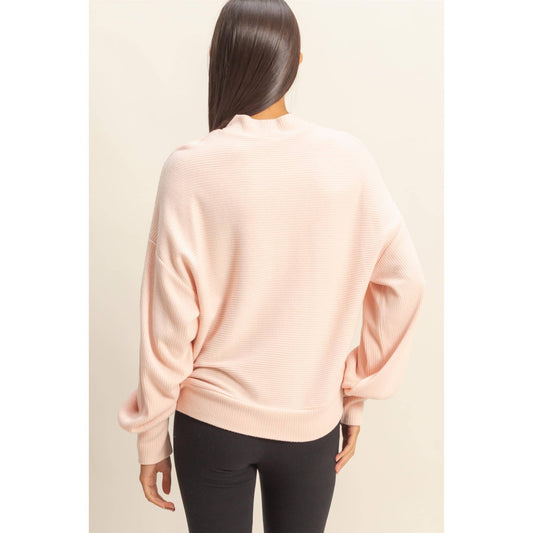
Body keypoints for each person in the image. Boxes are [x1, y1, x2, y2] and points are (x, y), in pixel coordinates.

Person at [117, 1, 426, 532]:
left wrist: (151, 439)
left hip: (209, 423)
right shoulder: (348, 161)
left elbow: (167, 325)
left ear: (216, 58)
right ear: (297, 61)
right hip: (310, 423)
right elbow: (405, 282)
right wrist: (353, 394)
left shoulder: (189, 169)